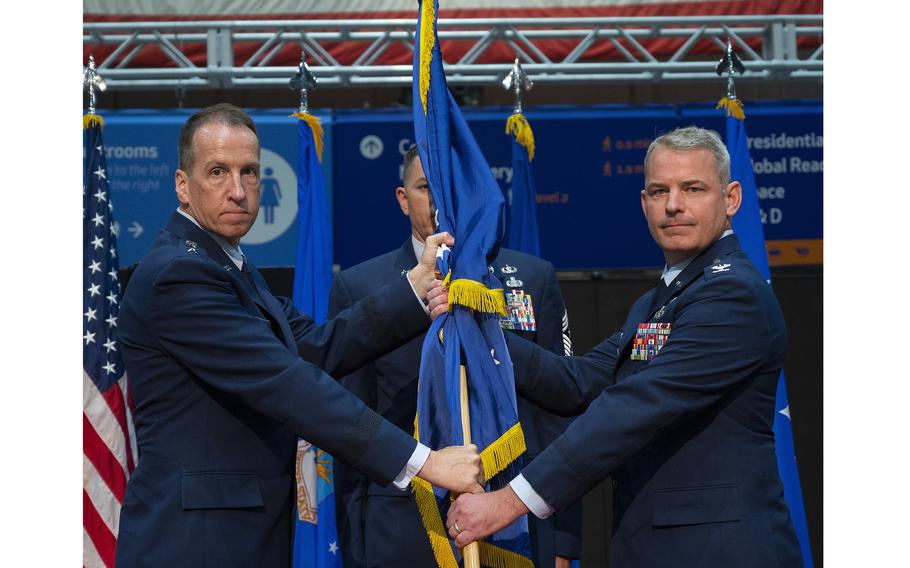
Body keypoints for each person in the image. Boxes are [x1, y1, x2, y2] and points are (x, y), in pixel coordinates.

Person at [115, 104, 483, 568]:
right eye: (217, 172)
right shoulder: (180, 275)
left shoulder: (228, 265)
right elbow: (289, 383)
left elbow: (317, 346)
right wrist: (423, 463)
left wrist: (416, 284)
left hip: (234, 538)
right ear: (182, 186)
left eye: (249, 172)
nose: (237, 190)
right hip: (198, 544)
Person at [445, 126, 804, 566]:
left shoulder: (732, 295)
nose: (673, 205)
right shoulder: (661, 299)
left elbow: (635, 407)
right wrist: (474, 328)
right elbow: (578, 382)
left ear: (731, 199)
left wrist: (510, 501)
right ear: (643, 202)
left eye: (693, 188)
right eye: (659, 190)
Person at [330, 146, 582, 568]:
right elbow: (350, 430)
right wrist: (356, 545)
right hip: (401, 533)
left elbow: (559, 421)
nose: (442, 201)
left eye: (455, 188)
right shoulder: (361, 289)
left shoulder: (533, 279)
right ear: (403, 198)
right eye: (427, 187)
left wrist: (563, 542)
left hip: (515, 527)